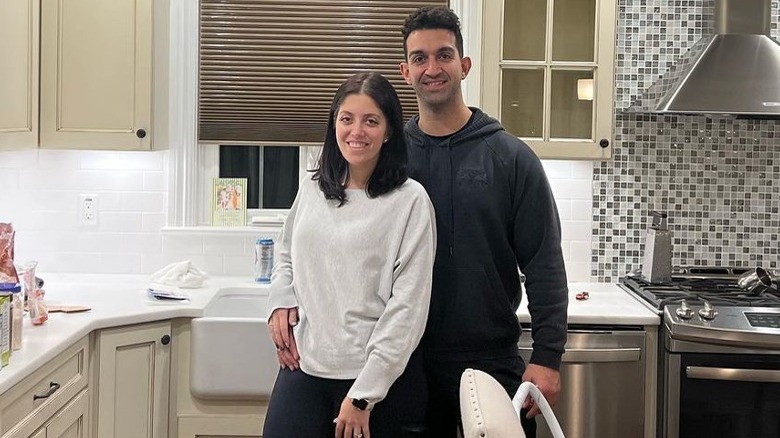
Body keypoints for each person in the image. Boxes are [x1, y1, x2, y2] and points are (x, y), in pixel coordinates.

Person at [398, 6, 568, 437]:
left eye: (444, 55)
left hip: (492, 361)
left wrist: (547, 357)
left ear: (464, 65)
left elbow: (544, 263)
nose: (432, 68)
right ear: (405, 70)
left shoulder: (511, 158)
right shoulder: (389, 158)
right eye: (419, 58)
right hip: (405, 364)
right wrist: (286, 297)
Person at [263, 71, 437, 438]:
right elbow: (285, 253)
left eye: (370, 121)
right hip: (305, 370)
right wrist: (279, 302)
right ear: (334, 124)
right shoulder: (313, 189)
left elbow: (408, 310)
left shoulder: (410, 202)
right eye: (347, 119)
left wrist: (363, 396)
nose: (356, 131)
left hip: (377, 384)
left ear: (388, 131)